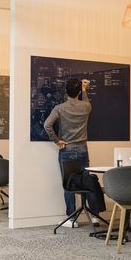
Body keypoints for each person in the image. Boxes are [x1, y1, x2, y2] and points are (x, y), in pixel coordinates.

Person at [44, 78, 101, 227]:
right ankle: (94, 216)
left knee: (69, 184)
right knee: (86, 182)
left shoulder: (59, 108)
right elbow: (87, 102)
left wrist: (56, 141)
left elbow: (47, 125)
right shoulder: (86, 106)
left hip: (67, 149)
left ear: (66, 92)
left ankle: (71, 219)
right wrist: (84, 90)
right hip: (82, 149)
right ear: (78, 92)